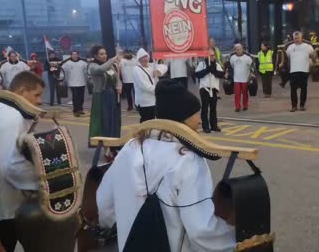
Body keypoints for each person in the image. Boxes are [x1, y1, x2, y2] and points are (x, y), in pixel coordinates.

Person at [96, 79, 235, 252]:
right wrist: (232, 244)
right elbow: (200, 229)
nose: (200, 121)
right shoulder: (187, 159)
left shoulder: (129, 148)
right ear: (182, 117)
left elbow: (104, 204)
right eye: (196, 115)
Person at [0, 72, 44, 252]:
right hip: (3, 204)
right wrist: (43, 183)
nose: (39, 101)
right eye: (37, 94)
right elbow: (11, 165)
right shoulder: (12, 115)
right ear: (22, 92)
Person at [88, 45, 122, 142]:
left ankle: (114, 142)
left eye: (105, 53)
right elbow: (101, 69)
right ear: (96, 55)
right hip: (102, 98)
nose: (104, 56)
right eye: (101, 54)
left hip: (113, 97)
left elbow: (117, 78)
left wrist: (119, 86)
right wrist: (113, 59)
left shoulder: (110, 66)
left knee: (114, 120)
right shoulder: (93, 66)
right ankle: (105, 146)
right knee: (104, 122)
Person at [133, 48, 168, 123]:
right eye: (143, 57)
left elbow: (165, 67)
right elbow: (143, 85)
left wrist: (158, 71)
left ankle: (149, 134)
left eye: (146, 57)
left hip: (153, 101)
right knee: (146, 122)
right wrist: (157, 90)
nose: (145, 59)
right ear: (139, 59)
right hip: (144, 102)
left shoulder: (151, 66)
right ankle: (144, 135)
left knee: (153, 122)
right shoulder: (137, 69)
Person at [196, 48, 225, 133]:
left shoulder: (217, 65)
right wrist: (207, 70)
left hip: (214, 89)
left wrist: (213, 70)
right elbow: (197, 74)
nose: (211, 57)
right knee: (205, 108)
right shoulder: (202, 64)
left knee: (213, 108)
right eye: (210, 55)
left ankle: (214, 126)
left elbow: (221, 74)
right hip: (204, 88)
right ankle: (205, 126)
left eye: (212, 55)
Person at [286, 31, 314, 112]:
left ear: (301, 38)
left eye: (298, 38)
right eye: (295, 38)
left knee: (303, 89)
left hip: (304, 71)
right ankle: (294, 106)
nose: (297, 40)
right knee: (293, 89)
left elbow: (313, 56)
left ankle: (302, 105)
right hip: (293, 71)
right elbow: (288, 57)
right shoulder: (290, 47)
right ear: (293, 38)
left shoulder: (308, 47)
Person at [62, 51, 88, 117]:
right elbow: (62, 70)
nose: (74, 56)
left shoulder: (83, 63)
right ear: (71, 55)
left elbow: (87, 71)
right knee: (75, 97)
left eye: (76, 54)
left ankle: (80, 109)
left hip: (82, 82)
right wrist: (62, 78)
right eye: (73, 54)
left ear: (78, 55)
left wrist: (89, 77)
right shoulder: (67, 63)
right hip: (72, 83)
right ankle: (75, 111)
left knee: (81, 97)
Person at [229, 43, 254, 112]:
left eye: (240, 49)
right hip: (236, 79)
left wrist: (251, 73)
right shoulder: (232, 58)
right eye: (237, 50)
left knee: (245, 93)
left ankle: (245, 105)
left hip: (245, 79)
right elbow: (231, 66)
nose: (239, 51)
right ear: (235, 50)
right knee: (237, 94)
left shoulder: (247, 58)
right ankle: (237, 107)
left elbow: (252, 66)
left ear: (242, 49)